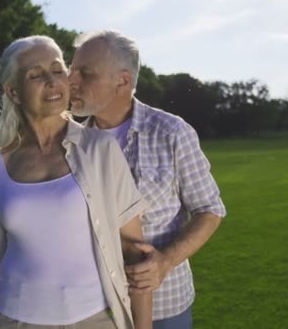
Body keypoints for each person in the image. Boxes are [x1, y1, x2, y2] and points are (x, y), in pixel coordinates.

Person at [0, 35, 152, 329]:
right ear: (13, 92)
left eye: (58, 70)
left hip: (93, 320)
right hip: (10, 320)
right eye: (35, 75)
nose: (51, 81)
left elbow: (138, 256)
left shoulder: (100, 150)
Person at [68, 30, 226, 329]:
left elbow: (210, 209)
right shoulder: (69, 142)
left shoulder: (171, 132)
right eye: (71, 70)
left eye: (85, 73)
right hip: (88, 308)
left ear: (123, 81)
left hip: (164, 305)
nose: (71, 81)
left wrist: (165, 261)